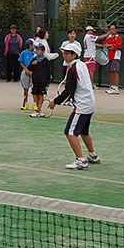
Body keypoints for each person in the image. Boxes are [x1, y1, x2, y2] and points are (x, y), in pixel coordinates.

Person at [44, 41, 101, 170]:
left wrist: (55, 102)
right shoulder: (81, 65)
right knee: (84, 131)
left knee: (70, 132)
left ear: (74, 55)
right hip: (90, 104)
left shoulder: (74, 68)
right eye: (64, 53)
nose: (64, 55)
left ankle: (80, 161)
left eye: (67, 53)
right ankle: (92, 156)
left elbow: (69, 90)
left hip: (83, 106)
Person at [28, 40, 54, 117]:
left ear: (42, 51)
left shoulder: (46, 61)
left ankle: (39, 110)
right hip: (35, 81)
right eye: (36, 49)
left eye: (38, 49)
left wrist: (48, 82)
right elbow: (29, 68)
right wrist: (32, 64)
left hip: (43, 82)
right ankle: (37, 110)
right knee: (35, 94)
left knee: (41, 95)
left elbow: (48, 72)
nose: (37, 51)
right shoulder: (34, 59)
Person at [102, 23, 123, 95]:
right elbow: (104, 44)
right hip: (108, 57)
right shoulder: (108, 37)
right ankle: (112, 86)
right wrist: (109, 46)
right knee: (110, 72)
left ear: (116, 30)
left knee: (115, 72)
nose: (111, 31)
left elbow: (115, 47)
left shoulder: (118, 38)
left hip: (115, 57)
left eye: (113, 29)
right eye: (110, 29)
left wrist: (110, 46)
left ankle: (116, 88)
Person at [18, 38, 36, 110]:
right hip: (25, 72)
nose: (34, 47)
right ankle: (25, 103)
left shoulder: (36, 53)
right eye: (33, 45)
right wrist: (26, 70)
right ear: (30, 45)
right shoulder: (23, 53)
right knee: (26, 89)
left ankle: (35, 104)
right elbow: (21, 62)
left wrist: (33, 72)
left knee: (34, 89)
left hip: (34, 73)